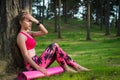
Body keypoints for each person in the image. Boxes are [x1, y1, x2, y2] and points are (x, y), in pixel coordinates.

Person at [16, 10, 90, 75]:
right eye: (27, 21)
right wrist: (38, 68)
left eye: (30, 21)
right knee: (54, 46)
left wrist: (36, 21)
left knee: (56, 49)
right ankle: (74, 67)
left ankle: (70, 68)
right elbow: (25, 56)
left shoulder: (29, 33)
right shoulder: (21, 36)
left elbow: (45, 32)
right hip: (32, 66)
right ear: (20, 22)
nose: (30, 23)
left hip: (37, 61)